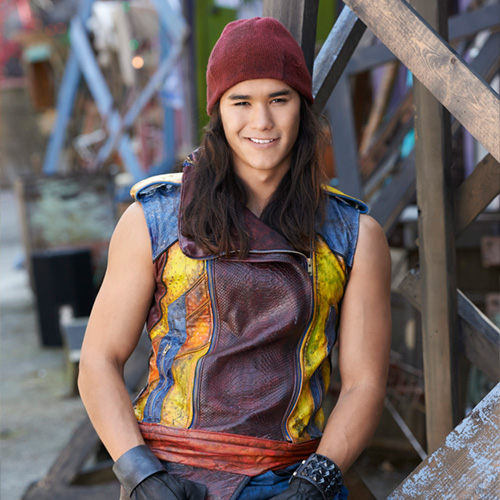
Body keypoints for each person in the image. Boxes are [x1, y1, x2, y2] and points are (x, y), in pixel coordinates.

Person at [78, 16, 391, 500]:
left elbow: (363, 385)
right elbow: (99, 360)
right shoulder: (153, 221)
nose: (261, 121)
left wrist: (315, 482)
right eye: (241, 101)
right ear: (218, 112)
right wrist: (142, 476)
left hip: (293, 475)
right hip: (171, 473)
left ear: (303, 109)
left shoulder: (354, 237)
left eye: (279, 100)